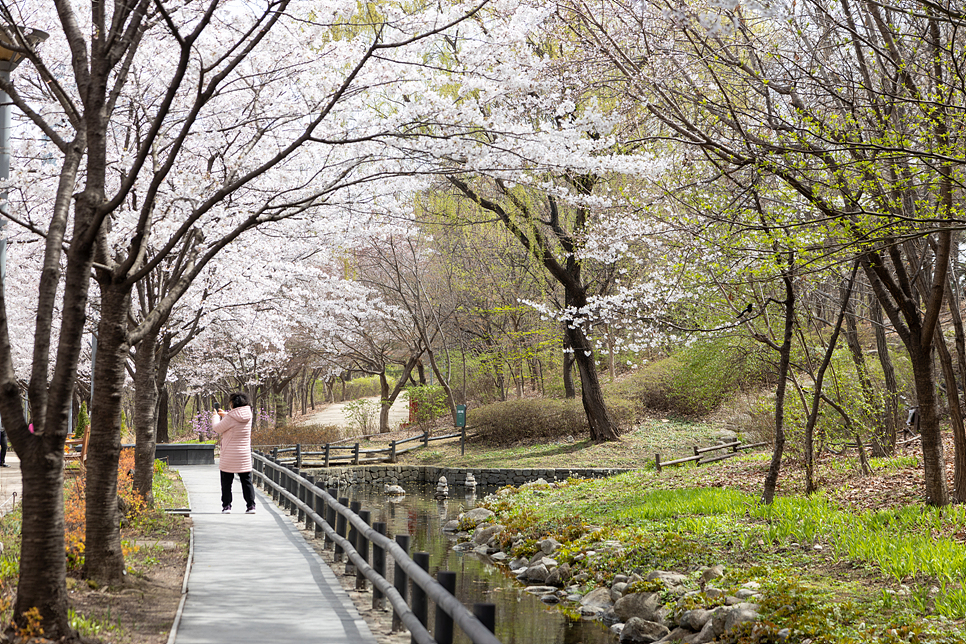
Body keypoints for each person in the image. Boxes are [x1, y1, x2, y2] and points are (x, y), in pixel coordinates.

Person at [211, 392, 255, 514]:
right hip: (244, 454)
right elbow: (236, 420)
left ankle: (227, 506)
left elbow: (217, 428)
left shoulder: (230, 417)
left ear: (233, 404)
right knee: (246, 481)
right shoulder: (248, 415)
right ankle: (251, 506)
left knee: (226, 482)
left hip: (230, 454)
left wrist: (215, 416)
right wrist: (225, 414)